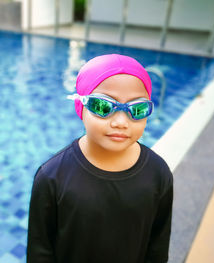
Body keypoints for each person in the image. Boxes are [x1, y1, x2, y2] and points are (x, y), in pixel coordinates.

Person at [27, 54, 173, 263]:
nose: (121, 122)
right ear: (81, 106)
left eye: (137, 109)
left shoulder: (158, 173)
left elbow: (158, 245)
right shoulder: (52, 176)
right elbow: (39, 251)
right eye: (103, 107)